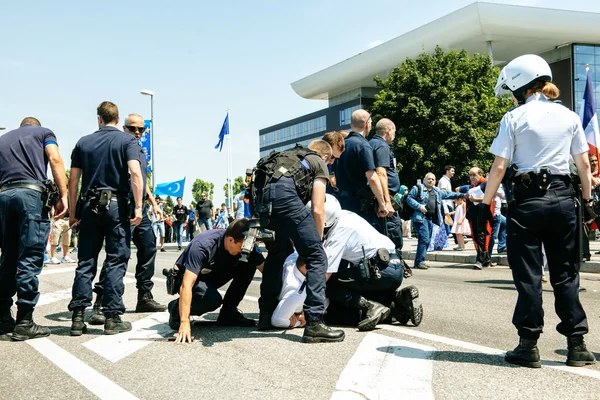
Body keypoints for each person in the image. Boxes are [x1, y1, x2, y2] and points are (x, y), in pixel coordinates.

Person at [483, 54, 595, 368]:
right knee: (566, 274)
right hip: (563, 200)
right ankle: (577, 345)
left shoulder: (513, 118)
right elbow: (583, 164)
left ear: (519, 85)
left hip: (527, 202)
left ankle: (528, 345)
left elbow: (499, 166)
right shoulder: (569, 116)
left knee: (529, 276)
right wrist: (586, 200)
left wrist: (485, 199)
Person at [255, 140, 345, 343]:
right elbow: (317, 207)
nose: (329, 164)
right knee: (317, 256)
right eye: (330, 161)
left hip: (265, 203)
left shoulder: (286, 157)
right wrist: (318, 238)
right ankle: (314, 323)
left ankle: (266, 316)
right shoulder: (317, 161)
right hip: (286, 199)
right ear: (325, 156)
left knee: (276, 255)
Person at [67, 101, 144, 336]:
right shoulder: (127, 140)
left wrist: (73, 213)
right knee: (116, 260)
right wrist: (138, 207)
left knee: (86, 261)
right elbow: (135, 172)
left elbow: (73, 181)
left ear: (98, 118)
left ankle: (78, 318)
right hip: (115, 207)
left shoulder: (83, 142)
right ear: (118, 120)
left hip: (89, 207)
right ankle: (112, 318)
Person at [87, 114, 167, 326]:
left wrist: (154, 203)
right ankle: (101, 303)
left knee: (149, 246)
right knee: (116, 253)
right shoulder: (120, 145)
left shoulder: (139, 149)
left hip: (139, 206)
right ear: (124, 127)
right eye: (133, 128)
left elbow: (141, 179)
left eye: (141, 129)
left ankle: (144, 296)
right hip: (121, 206)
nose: (138, 132)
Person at [0, 117, 68, 341]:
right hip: (30, 196)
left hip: (4, 196)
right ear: (35, 126)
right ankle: (25, 322)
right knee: (29, 257)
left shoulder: (2, 140)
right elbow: (55, 159)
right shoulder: (44, 133)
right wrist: (63, 194)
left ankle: (2, 319)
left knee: (7, 259)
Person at [317, 195, 422, 331]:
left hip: (379, 270)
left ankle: (369, 307)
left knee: (331, 284)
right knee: (355, 284)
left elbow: (324, 275)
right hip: (396, 267)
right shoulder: (347, 215)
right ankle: (400, 298)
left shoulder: (337, 233)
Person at [169, 219, 265, 343]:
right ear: (230, 240)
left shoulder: (245, 244)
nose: (243, 251)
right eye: (240, 247)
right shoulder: (203, 245)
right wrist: (184, 322)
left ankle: (228, 313)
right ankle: (176, 309)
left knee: (249, 264)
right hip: (188, 279)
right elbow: (186, 285)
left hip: (212, 275)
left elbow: (267, 272)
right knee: (212, 300)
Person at [336, 109, 391, 221]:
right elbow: (373, 178)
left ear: (351, 124)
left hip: (341, 200)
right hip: (358, 203)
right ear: (367, 124)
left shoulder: (342, 145)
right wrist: (382, 203)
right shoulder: (363, 146)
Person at [406, 173, 465, 270]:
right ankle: (419, 262)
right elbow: (409, 199)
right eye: (429, 179)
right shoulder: (418, 188)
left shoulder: (437, 191)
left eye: (433, 179)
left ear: (435, 181)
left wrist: (463, 195)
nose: (431, 181)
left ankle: (420, 261)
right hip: (420, 218)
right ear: (424, 179)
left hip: (430, 218)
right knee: (424, 239)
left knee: (427, 240)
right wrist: (419, 206)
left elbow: (449, 194)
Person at [369, 118, 404, 252]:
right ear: (388, 131)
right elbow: (381, 173)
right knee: (393, 237)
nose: (394, 136)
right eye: (394, 132)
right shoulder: (382, 145)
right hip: (385, 197)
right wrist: (386, 202)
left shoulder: (371, 144)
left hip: (379, 197)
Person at [270, 252, 308, 329]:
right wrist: (298, 321)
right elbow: (277, 321)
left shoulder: (293, 256)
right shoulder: (297, 293)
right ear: (307, 267)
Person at [438, 165, 456, 238]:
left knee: (451, 219)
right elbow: (443, 192)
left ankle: (456, 236)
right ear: (447, 171)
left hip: (449, 203)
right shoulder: (443, 180)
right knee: (449, 219)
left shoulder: (447, 180)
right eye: (452, 171)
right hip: (446, 203)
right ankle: (453, 234)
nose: (453, 173)